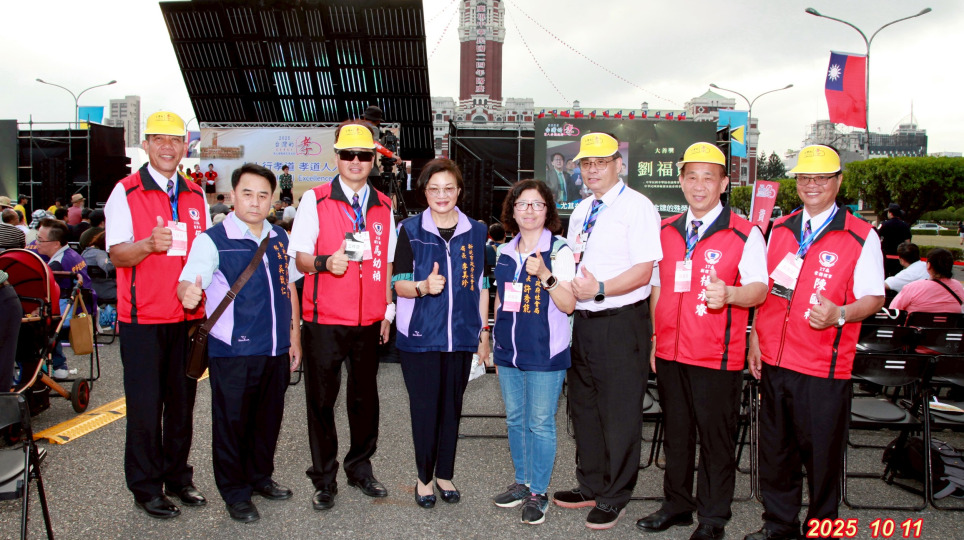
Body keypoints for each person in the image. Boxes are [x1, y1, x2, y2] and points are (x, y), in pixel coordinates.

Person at [745, 145, 885, 540]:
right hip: (775, 361)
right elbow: (766, 290)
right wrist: (755, 337)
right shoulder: (780, 228)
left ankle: (823, 527)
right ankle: (779, 524)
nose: (812, 185)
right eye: (805, 177)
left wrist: (840, 314)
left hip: (823, 366)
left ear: (838, 181)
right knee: (776, 451)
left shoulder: (861, 235)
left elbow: (874, 297)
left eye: (822, 178)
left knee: (822, 455)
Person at [635, 143, 767, 540]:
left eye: (709, 177)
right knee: (677, 434)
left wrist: (730, 294)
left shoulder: (745, 232)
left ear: (724, 184)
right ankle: (677, 505)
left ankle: (713, 517)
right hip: (671, 352)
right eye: (691, 176)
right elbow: (657, 287)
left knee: (716, 440)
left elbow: (759, 289)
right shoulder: (667, 230)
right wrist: (656, 337)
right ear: (680, 181)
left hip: (716, 356)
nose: (699, 185)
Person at [177, 163, 302, 523]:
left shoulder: (280, 238)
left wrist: (294, 336)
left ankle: (260, 477)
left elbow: (289, 286)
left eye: (263, 195)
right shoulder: (212, 240)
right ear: (233, 195)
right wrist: (188, 294)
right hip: (233, 351)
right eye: (247, 194)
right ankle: (235, 492)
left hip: (275, 349)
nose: (255, 202)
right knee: (232, 424)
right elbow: (188, 282)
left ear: (273, 199)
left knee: (268, 420)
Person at [104, 110, 211, 519]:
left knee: (182, 406)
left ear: (185, 146)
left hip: (188, 318)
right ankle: (146, 487)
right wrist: (148, 245)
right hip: (144, 321)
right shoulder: (126, 192)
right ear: (146, 144)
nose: (168, 147)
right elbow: (117, 254)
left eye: (175, 140)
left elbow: (204, 254)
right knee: (146, 409)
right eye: (159, 139)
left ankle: (178, 478)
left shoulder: (195, 193)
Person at [552, 132, 662, 530]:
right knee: (585, 409)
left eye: (601, 162)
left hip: (621, 322)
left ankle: (615, 495)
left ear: (619, 164)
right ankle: (591, 485)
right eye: (586, 163)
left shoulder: (638, 207)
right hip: (584, 322)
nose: (593, 169)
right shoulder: (583, 208)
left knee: (619, 414)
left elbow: (644, 271)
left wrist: (600, 288)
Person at [288, 120, 396, 511]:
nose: (355, 161)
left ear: (372, 160)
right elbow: (299, 259)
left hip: (369, 322)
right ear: (336, 157)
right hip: (325, 320)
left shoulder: (384, 205)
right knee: (321, 400)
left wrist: (387, 310)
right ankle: (323, 477)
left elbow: (386, 263)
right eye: (348, 154)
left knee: (365, 400)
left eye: (363, 155)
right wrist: (324, 263)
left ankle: (360, 468)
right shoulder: (314, 200)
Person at [391, 159, 490, 509]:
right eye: (434, 189)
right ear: (425, 192)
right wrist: (423, 286)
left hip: (461, 336)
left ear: (459, 191)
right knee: (424, 410)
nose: (442, 195)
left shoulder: (476, 232)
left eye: (449, 188)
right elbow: (398, 284)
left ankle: (445, 474)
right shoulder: (409, 229)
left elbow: (481, 285)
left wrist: (483, 331)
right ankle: (424, 479)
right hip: (420, 338)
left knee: (452, 408)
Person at [490, 179, 575, 525]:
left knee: (539, 423)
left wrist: (545, 275)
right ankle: (522, 482)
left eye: (537, 204)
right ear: (512, 211)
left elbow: (568, 304)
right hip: (509, 351)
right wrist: (494, 340)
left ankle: (539, 492)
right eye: (522, 204)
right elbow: (501, 298)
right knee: (515, 419)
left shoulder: (559, 250)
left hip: (545, 352)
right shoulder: (505, 251)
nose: (529, 210)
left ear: (547, 211)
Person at [36, 218, 93, 379]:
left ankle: (48, 365)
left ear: (56, 243)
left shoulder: (57, 265)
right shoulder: (74, 254)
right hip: (84, 308)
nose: (36, 243)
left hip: (70, 316)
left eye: (40, 239)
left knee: (31, 327)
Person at [890, 248, 964, 314]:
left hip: (917, 325)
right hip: (949, 325)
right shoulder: (958, 287)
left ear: (929, 265)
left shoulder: (913, 287)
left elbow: (893, 312)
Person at [877, 203, 911, 278]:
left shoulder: (884, 224)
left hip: (886, 256)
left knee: (885, 276)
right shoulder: (905, 225)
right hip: (899, 257)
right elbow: (908, 242)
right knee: (897, 276)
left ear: (890, 213)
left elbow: (877, 237)